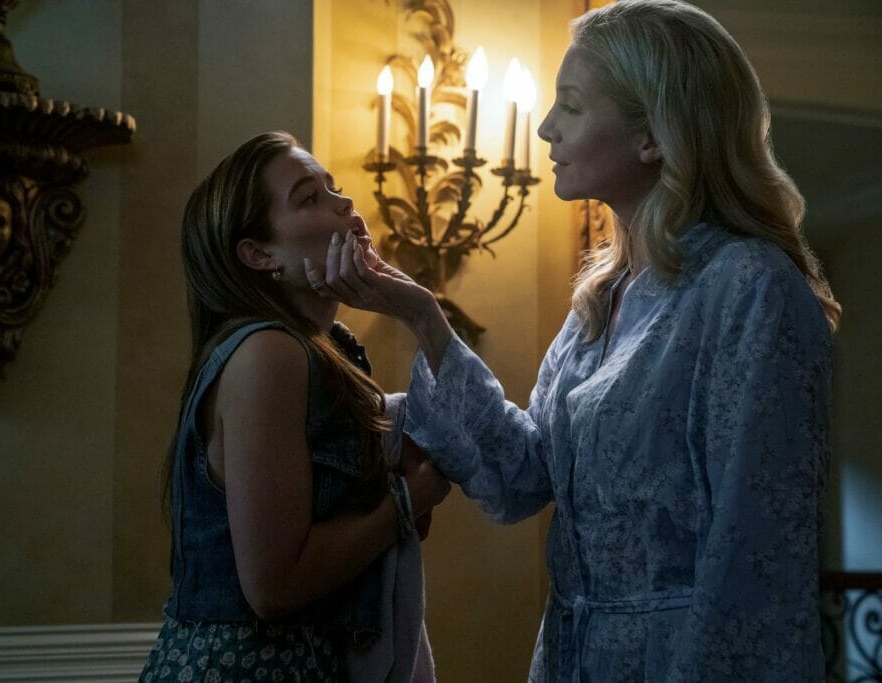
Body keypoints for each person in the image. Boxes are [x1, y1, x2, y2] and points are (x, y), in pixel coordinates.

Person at [304, 1, 840, 680]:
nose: (546, 126)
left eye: (573, 105)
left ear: (652, 135)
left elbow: (754, 552)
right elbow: (521, 476)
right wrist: (423, 316)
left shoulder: (749, 287)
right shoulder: (604, 296)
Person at [140, 131, 450, 682]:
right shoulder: (268, 354)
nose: (345, 203)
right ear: (259, 254)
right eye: (309, 198)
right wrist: (411, 499)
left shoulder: (327, 351)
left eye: (334, 187)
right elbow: (274, 586)